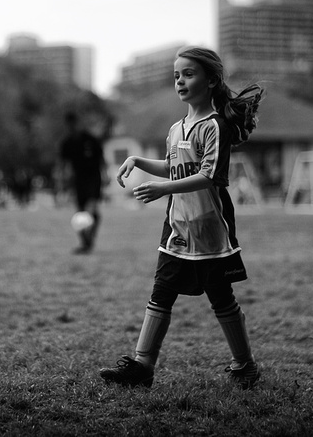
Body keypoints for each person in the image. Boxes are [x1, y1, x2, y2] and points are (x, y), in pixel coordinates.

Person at [99, 46, 263, 390]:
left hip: (210, 229)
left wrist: (165, 188)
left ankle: (244, 365)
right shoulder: (177, 128)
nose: (180, 81)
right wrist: (139, 162)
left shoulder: (214, 126)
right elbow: (174, 166)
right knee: (161, 291)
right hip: (177, 228)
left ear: (211, 80)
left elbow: (209, 175)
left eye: (188, 74)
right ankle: (142, 366)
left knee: (221, 298)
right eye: (176, 75)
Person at [59, 112, 107, 254]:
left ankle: (87, 243)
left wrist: (106, 174)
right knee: (81, 214)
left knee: (89, 209)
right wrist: (62, 179)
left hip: (93, 177)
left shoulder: (90, 139)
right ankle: (86, 242)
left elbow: (101, 157)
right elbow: (63, 163)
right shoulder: (67, 142)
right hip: (78, 179)